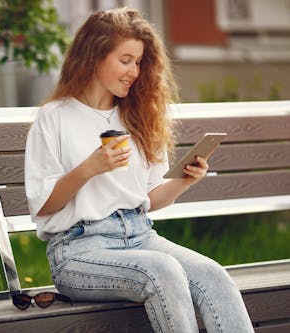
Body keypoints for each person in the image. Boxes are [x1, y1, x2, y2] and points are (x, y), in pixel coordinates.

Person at [24, 7, 254, 333]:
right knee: (163, 271)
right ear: (94, 56)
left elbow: (150, 198)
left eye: (139, 62)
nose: (134, 71)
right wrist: (89, 168)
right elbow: (43, 205)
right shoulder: (55, 117)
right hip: (78, 250)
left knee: (213, 276)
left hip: (141, 237)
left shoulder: (137, 116)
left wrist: (184, 180)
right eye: (126, 59)